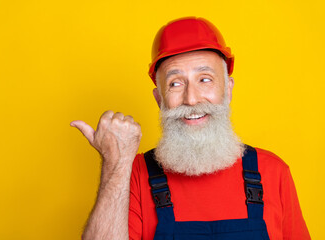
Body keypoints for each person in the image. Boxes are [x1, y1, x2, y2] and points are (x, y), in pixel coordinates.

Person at [71, 17, 311, 240]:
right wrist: (116, 163)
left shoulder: (273, 172)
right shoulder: (133, 174)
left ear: (228, 89)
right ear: (159, 99)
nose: (192, 99)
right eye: (175, 83)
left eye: (205, 79)